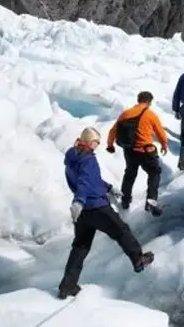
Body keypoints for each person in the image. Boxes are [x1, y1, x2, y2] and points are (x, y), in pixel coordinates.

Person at [57, 127, 154, 299]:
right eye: (95, 142)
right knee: (121, 230)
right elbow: (85, 182)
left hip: (83, 213)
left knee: (80, 247)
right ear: (88, 142)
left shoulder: (73, 156)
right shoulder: (88, 160)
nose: (97, 145)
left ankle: (67, 286)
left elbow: (89, 180)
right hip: (96, 206)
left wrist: (108, 187)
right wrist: (79, 200)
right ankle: (138, 259)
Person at [106, 91, 168, 217]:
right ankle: (151, 201)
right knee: (154, 173)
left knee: (129, 174)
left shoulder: (125, 114)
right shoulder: (150, 114)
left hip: (129, 151)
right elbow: (160, 131)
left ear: (138, 100)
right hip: (146, 151)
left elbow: (113, 131)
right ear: (149, 102)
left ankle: (125, 201)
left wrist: (110, 145)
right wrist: (164, 144)